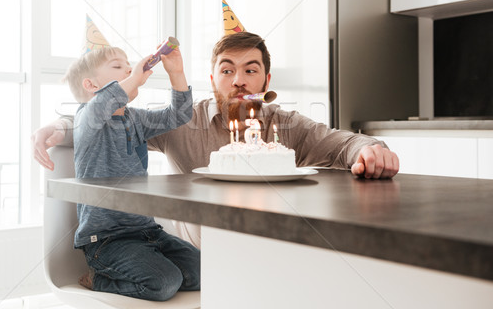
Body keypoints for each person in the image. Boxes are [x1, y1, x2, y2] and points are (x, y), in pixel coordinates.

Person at [34, 31, 400, 248]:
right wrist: (62, 127)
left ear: (266, 82)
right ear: (213, 80)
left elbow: (341, 143)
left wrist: (372, 149)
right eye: (227, 70)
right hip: (197, 249)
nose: (238, 80)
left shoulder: (287, 125)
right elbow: (111, 124)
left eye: (250, 70)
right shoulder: (183, 121)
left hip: (269, 247)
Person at [61, 45, 200, 301]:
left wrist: (176, 73)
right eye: (118, 66)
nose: (128, 68)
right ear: (91, 85)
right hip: (106, 239)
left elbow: (178, 116)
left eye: (128, 64)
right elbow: (103, 103)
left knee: (207, 272)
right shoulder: (87, 117)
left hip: (147, 231)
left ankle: (152, 264)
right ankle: (100, 279)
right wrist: (135, 77)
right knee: (164, 284)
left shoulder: (135, 118)